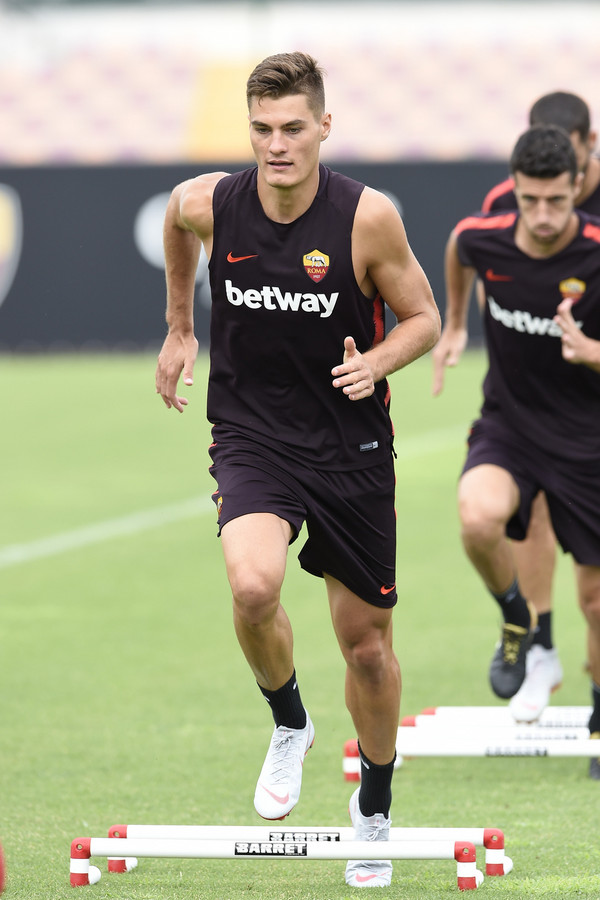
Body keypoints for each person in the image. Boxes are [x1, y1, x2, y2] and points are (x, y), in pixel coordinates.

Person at [155, 51, 440, 885]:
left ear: (323, 126)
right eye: (262, 129)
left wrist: (377, 362)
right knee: (252, 587)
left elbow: (424, 317)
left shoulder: (367, 219)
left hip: (350, 450)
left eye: (292, 128)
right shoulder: (212, 203)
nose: (277, 145)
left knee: (367, 650)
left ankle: (374, 808)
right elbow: (175, 219)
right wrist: (180, 326)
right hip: (254, 436)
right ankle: (289, 722)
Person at [432, 123, 600, 779]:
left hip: (587, 442)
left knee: (594, 602)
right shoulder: (485, 238)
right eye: (531, 200)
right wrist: (454, 322)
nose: (544, 214)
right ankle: (516, 621)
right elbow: (457, 249)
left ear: (578, 187)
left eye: (557, 200)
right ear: (516, 190)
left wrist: (591, 352)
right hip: (510, 428)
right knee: (477, 518)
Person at [476, 92, 600, 723]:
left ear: (587, 150)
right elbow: (486, 273)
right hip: (528, 404)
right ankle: (541, 648)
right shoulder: (505, 204)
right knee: (528, 512)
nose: (544, 209)